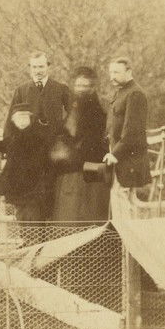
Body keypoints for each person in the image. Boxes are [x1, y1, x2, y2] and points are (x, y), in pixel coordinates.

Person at [0, 52, 72, 242]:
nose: (38, 71)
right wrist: (6, 152)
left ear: (48, 67)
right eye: (34, 67)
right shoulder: (22, 90)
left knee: (50, 196)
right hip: (29, 156)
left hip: (52, 153)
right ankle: (29, 241)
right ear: (30, 68)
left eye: (41, 67)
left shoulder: (60, 89)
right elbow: (10, 123)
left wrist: (63, 133)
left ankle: (49, 241)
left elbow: (74, 114)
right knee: (27, 199)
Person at [50, 66, 111, 225]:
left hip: (91, 167)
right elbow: (67, 132)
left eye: (85, 86)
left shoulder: (99, 110)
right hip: (74, 168)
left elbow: (96, 136)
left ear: (92, 87)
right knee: (71, 212)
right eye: (78, 85)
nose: (81, 89)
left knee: (91, 211)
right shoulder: (73, 107)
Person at [104, 56, 151, 195]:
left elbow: (132, 132)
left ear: (129, 72)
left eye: (116, 73)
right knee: (119, 206)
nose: (112, 77)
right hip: (119, 160)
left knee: (127, 208)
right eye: (111, 72)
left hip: (129, 161)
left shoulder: (135, 93)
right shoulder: (120, 92)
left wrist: (115, 154)